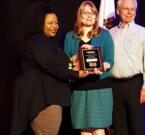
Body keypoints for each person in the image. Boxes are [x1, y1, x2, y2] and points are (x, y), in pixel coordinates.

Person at [10, 2, 89, 135]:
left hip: (44, 100)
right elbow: (51, 65)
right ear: (40, 23)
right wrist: (77, 74)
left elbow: (55, 63)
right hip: (44, 101)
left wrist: (73, 59)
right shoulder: (39, 41)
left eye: (56, 23)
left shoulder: (43, 42)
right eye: (50, 23)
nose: (55, 26)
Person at [63, 1, 114, 135]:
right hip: (80, 88)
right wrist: (75, 61)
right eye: (85, 12)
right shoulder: (70, 37)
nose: (89, 16)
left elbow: (110, 61)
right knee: (84, 130)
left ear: (96, 16)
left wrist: (102, 67)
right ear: (80, 15)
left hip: (100, 88)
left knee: (98, 129)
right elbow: (65, 64)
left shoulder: (105, 35)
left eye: (92, 13)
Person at [109, 0, 145, 135]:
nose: (129, 12)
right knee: (118, 127)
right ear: (118, 11)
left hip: (134, 85)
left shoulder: (143, 33)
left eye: (132, 9)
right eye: (126, 9)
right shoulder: (110, 33)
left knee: (137, 127)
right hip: (114, 86)